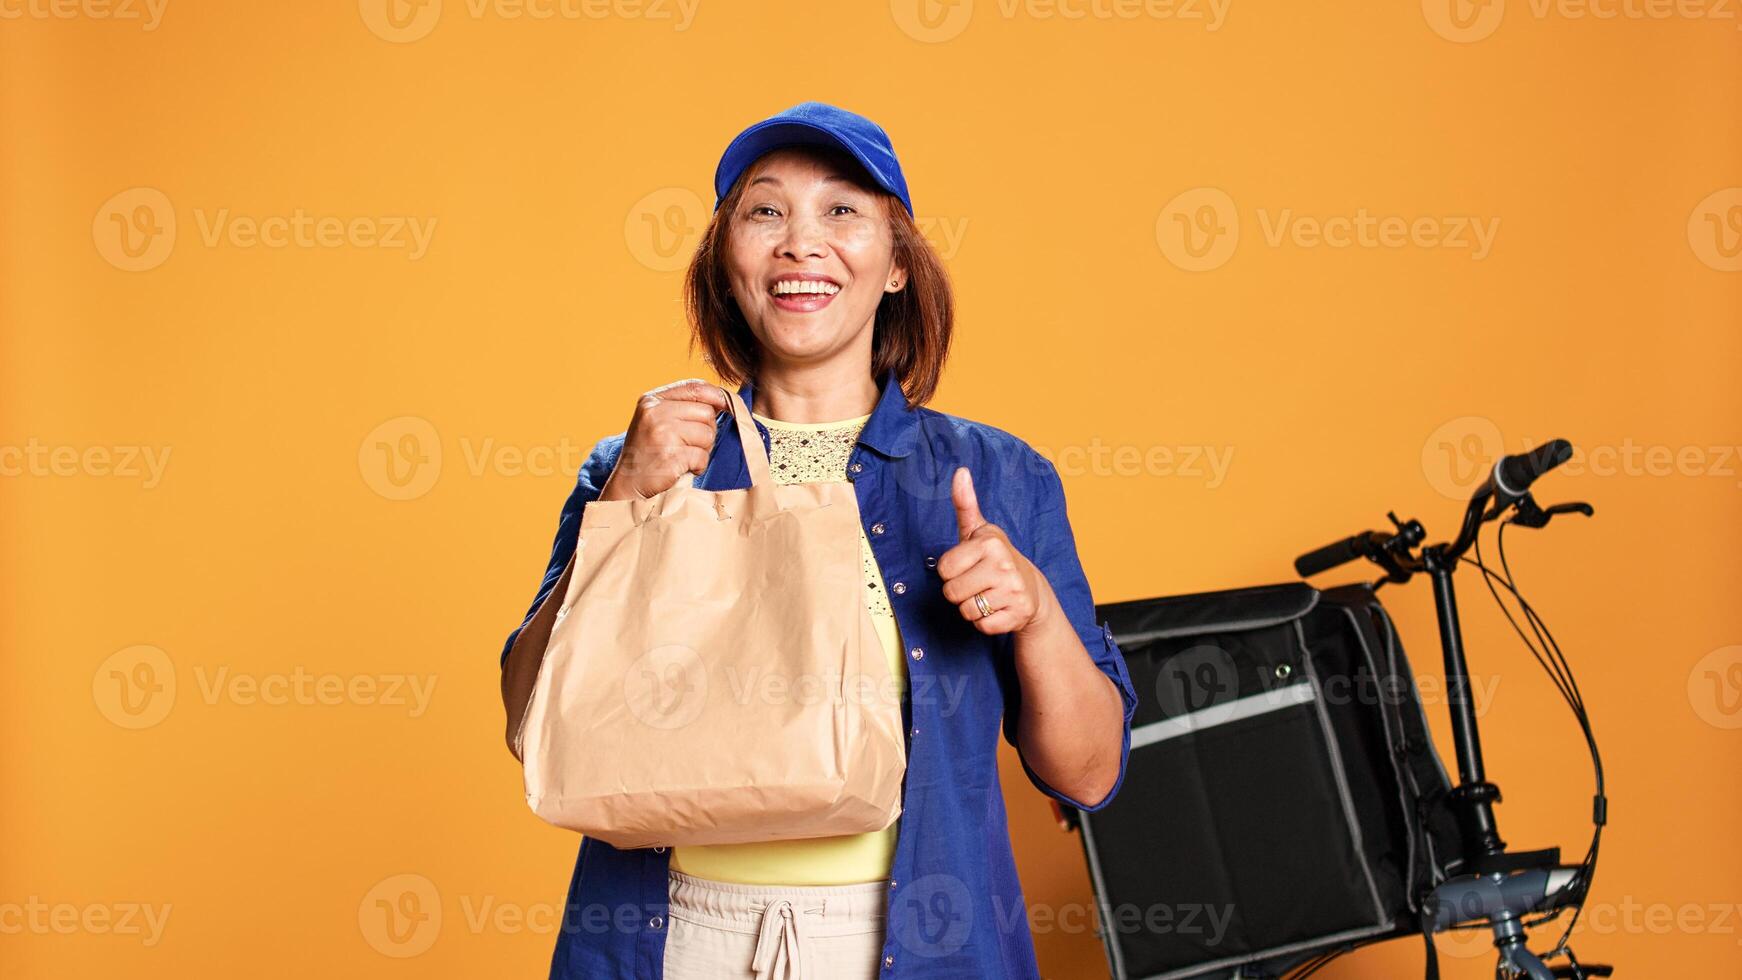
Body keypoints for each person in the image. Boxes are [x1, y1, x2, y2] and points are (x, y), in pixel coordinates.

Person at [500, 101, 1137, 980]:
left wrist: (1033, 617)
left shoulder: (996, 475)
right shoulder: (640, 459)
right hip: (675, 935)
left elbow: (1091, 774)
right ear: (727, 264)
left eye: (841, 211)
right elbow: (530, 724)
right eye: (766, 212)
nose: (801, 243)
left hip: (908, 943)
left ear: (898, 268)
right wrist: (623, 505)